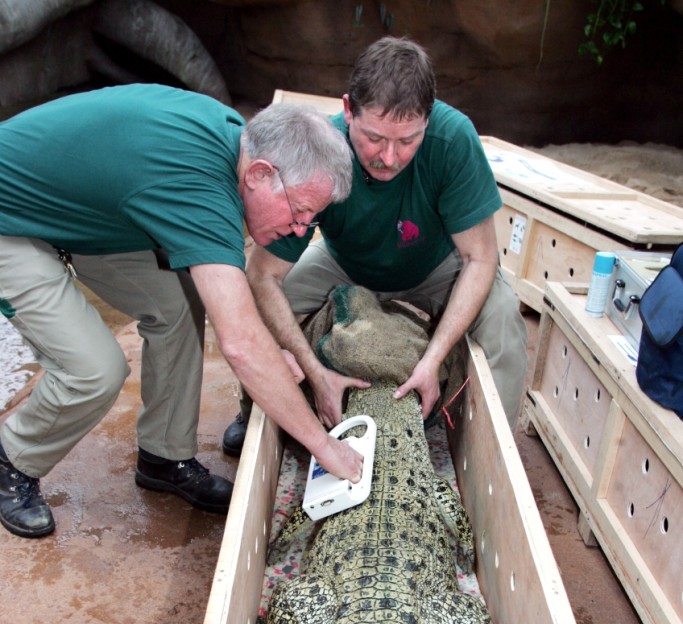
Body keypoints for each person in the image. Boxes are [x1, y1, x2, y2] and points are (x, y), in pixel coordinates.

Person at [0, 86, 363, 539]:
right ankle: (12, 459)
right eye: (300, 211)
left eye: (310, 221)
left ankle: (163, 457)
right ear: (260, 174)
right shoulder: (200, 189)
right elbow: (240, 342)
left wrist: (269, 352)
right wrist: (322, 445)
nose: (299, 229)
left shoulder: (237, 140)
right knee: (93, 370)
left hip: (83, 215)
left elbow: (231, 308)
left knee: (176, 304)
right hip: (10, 218)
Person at [222, 36, 528, 457]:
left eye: (407, 141)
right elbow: (263, 273)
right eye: (374, 138)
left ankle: (493, 461)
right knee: (251, 304)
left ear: (428, 118)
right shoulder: (323, 146)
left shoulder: (454, 139)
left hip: (437, 266)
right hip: (344, 261)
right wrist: (314, 372)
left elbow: (480, 258)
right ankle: (256, 410)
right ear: (348, 110)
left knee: (505, 321)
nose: (389, 157)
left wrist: (432, 359)